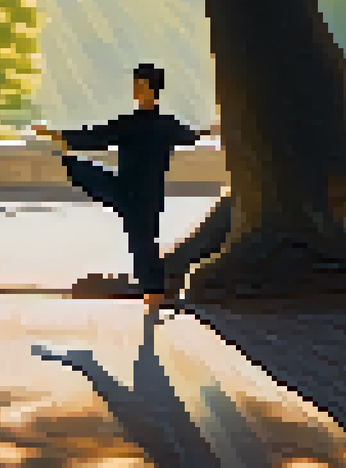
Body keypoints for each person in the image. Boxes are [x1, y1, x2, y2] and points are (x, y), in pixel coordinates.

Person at [32, 63, 219, 310]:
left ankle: (153, 294)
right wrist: (55, 135)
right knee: (78, 168)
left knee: (142, 241)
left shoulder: (165, 125)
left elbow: (193, 136)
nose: (136, 91)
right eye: (135, 86)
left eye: (140, 86)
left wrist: (217, 128)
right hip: (123, 187)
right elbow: (96, 136)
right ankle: (153, 293)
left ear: (153, 90)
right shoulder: (131, 123)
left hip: (147, 194)